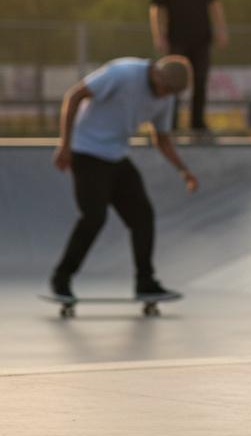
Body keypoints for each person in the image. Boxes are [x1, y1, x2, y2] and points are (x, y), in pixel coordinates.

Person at [49, 56, 197, 301]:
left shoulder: (167, 97)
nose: (164, 96)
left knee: (142, 216)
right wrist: (64, 145)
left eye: (171, 93)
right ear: (156, 75)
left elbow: (162, 139)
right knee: (94, 216)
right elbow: (74, 96)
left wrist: (183, 170)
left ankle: (145, 282)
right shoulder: (123, 73)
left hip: (116, 155)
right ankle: (62, 277)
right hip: (86, 151)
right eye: (164, 89)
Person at [149, 0, 228, 138]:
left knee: (200, 79)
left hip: (201, 36)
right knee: (173, 80)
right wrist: (159, 35)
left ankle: (197, 123)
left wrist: (221, 29)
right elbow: (157, 8)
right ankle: (170, 124)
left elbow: (215, 4)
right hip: (176, 38)